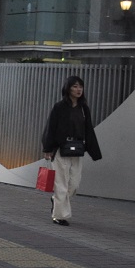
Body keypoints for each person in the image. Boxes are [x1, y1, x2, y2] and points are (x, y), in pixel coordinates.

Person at [41, 74, 102, 226]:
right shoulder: (59, 107)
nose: (78, 89)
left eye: (80, 86)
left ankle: (56, 201)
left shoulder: (83, 109)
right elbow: (51, 128)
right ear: (68, 89)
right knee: (61, 184)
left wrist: (94, 151)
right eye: (75, 86)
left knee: (74, 184)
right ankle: (59, 216)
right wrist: (48, 148)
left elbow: (89, 130)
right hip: (61, 149)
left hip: (77, 149)